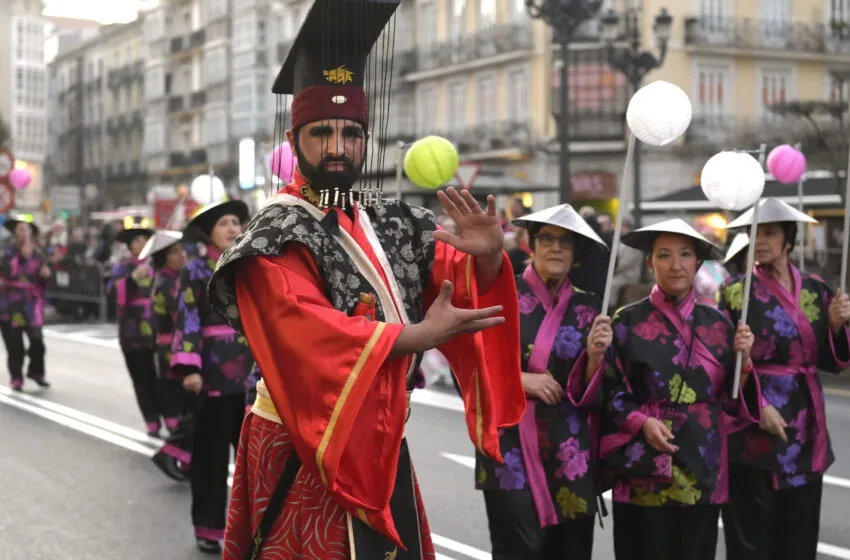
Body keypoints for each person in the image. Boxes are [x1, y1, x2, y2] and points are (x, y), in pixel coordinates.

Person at [206, 1, 526, 557]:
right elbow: (303, 330)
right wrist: (419, 336)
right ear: (294, 138)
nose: (337, 147)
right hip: (302, 439)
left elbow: (456, 284)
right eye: (321, 133)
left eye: (351, 133)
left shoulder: (390, 217)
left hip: (379, 432)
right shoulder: (272, 232)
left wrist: (492, 258)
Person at [596, 218, 760, 560]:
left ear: (697, 262)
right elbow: (610, 390)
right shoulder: (626, 320)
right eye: (664, 255)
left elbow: (733, 398)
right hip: (643, 464)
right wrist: (641, 422)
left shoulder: (719, 324)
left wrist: (744, 361)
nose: (675, 265)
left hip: (703, 462)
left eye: (685, 254)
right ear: (650, 262)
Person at [475, 204, 612, 560]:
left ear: (576, 254)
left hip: (570, 446)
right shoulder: (498, 294)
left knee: (571, 550)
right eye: (547, 239)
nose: (556, 248)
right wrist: (520, 380)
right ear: (529, 244)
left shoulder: (589, 307)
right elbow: (472, 364)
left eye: (566, 243)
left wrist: (597, 356)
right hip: (510, 444)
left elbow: (594, 392)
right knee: (519, 548)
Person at [718, 198, 850, 560]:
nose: (761, 239)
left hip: (805, 423)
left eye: (771, 232)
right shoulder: (734, 291)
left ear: (789, 238)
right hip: (753, 422)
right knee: (753, 536)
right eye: (754, 232)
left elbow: (830, 361)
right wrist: (757, 407)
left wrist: (836, 326)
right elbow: (720, 362)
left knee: (799, 531)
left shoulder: (816, 289)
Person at [170, 199, 254, 554]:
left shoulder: (250, 264)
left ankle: (257, 530)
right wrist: (190, 368)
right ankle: (208, 527)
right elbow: (187, 316)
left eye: (236, 222)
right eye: (224, 223)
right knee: (210, 458)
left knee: (254, 459)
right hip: (211, 374)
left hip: (251, 374)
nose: (233, 228)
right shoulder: (195, 269)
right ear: (209, 233)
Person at [106, 218, 167, 437]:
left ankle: (170, 416)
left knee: (161, 376)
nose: (141, 244)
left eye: (145, 240)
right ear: (130, 245)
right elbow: (111, 293)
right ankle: (151, 418)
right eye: (137, 241)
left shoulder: (160, 264)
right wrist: (132, 279)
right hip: (132, 332)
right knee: (141, 376)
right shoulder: (122, 266)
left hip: (159, 328)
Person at [140, 230, 190, 482]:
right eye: (175, 252)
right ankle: (173, 452)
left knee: (190, 407)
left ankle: (181, 455)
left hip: (174, 349)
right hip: (174, 352)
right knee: (192, 407)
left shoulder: (174, 279)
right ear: (163, 259)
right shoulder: (169, 284)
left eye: (182, 250)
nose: (182, 255)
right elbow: (184, 317)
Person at [0, 215, 51, 391]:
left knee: (37, 340)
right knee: (15, 345)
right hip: (10, 303)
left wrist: (45, 274)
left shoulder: (38, 252)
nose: (24, 232)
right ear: (15, 233)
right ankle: (16, 376)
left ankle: (36, 371)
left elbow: (43, 274)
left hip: (31, 303)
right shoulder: (7, 251)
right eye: (20, 229)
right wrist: (19, 257)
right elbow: (6, 270)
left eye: (26, 229)